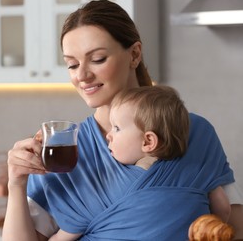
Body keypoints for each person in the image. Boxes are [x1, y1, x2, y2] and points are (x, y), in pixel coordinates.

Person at [2, 0, 241, 240]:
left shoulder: (195, 133)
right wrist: (16, 184)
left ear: (134, 54)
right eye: (72, 64)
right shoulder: (63, 151)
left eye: (97, 59)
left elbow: (236, 228)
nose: (82, 76)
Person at [48, 85, 231, 241]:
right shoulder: (197, 171)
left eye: (117, 128)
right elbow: (223, 209)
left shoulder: (106, 185)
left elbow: (66, 234)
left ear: (148, 142)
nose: (108, 135)